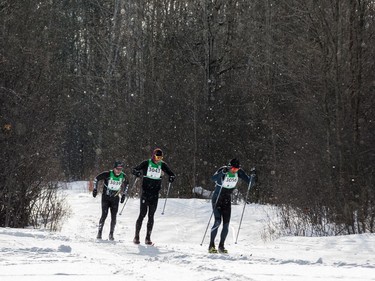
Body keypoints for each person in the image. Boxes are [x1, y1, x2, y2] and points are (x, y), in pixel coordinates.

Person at [208, 158, 256, 253]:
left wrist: (253, 176)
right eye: (233, 169)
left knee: (226, 224)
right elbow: (212, 179)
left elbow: (250, 183)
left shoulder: (239, 172)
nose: (235, 171)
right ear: (229, 167)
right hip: (217, 198)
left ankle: (221, 246)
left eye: (236, 170)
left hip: (226, 199)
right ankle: (211, 246)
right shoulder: (223, 169)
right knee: (217, 222)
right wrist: (222, 173)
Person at [132, 148, 175, 245]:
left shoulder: (162, 165)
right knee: (142, 214)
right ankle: (136, 236)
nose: (158, 159)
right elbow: (134, 169)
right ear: (153, 155)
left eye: (160, 157)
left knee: (151, 216)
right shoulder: (146, 163)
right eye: (157, 157)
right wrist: (137, 173)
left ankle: (148, 238)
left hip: (155, 194)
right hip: (145, 193)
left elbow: (171, 174)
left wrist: (172, 177)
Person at [92, 161, 129, 241]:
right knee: (104, 215)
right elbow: (96, 179)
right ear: (114, 168)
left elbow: (127, 185)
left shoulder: (123, 176)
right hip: (106, 198)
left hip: (115, 199)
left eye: (120, 169)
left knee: (114, 217)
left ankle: (111, 234)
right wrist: (95, 189)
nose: (119, 171)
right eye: (117, 169)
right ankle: (99, 233)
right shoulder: (108, 174)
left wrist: (124, 195)